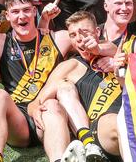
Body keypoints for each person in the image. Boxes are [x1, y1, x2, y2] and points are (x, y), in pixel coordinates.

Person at [0, 0, 113, 162]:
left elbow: (106, 45)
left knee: (52, 104)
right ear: (8, 15)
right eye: (15, 12)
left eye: (26, 10)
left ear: (35, 11)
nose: (22, 16)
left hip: (49, 114)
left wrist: (102, 50)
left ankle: (59, 159)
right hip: (18, 120)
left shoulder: (59, 38)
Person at [28, 10, 121, 161]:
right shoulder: (70, 66)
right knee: (62, 89)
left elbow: (121, 52)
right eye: (73, 35)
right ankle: (87, 144)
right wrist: (35, 110)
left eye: (84, 32)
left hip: (129, 116)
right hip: (102, 130)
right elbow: (35, 102)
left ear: (98, 32)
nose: (79, 39)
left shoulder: (114, 51)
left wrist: (106, 54)